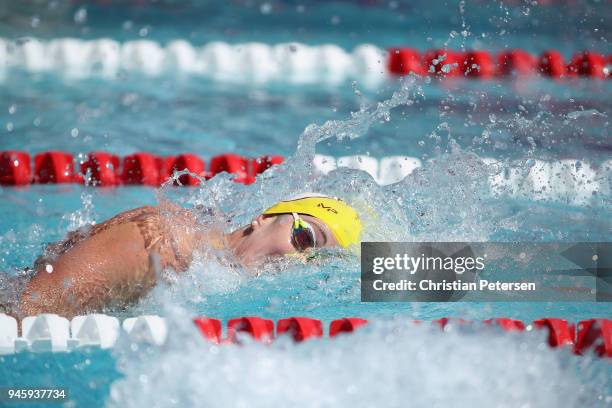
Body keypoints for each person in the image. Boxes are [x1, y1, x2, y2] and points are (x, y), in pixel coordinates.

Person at [4, 194, 361, 319]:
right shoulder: (163, 244)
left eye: (317, 262)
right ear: (263, 219)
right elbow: (28, 310)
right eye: (304, 238)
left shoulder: (215, 272)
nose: (299, 261)